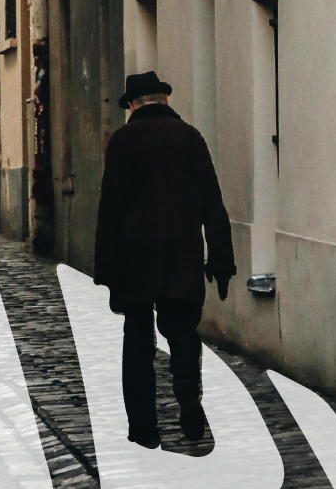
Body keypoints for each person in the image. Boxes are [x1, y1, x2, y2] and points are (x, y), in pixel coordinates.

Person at [93, 71, 236, 448]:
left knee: (138, 343)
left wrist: (105, 266)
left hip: (134, 260)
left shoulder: (122, 143)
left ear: (133, 106)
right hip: (182, 255)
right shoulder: (190, 138)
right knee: (183, 332)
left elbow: (110, 209)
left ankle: (144, 429)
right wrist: (221, 260)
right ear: (166, 100)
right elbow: (213, 205)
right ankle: (187, 387)